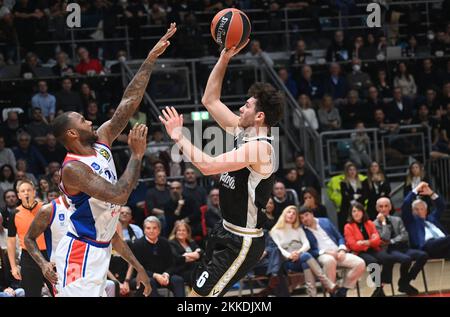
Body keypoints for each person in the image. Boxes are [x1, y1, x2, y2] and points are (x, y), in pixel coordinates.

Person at [49, 23, 178, 297]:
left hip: (99, 249)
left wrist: (149, 60)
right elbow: (120, 196)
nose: (91, 120)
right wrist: (136, 155)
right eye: (83, 120)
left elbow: (128, 102)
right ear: (72, 133)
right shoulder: (73, 169)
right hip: (78, 254)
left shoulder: (102, 138)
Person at [159, 42, 284, 297]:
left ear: (260, 117)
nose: (241, 108)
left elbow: (207, 166)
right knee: (198, 294)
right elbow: (209, 99)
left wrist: (178, 136)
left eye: (247, 106)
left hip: (242, 240)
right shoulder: (242, 131)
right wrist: (224, 57)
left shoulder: (261, 149)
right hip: (225, 230)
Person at [270, 206, 336, 297]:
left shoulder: (298, 229)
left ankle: (312, 295)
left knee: (306, 262)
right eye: (289, 212)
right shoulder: (275, 231)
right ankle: (327, 282)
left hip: (302, 258)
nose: (291, 215)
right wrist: (290, 256)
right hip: (288, 261)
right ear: (284, 213)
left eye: (294, 214)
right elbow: (278, 249)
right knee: (306, 257)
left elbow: (307, 244)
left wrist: (298, 253)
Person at [299, 207, 366, 297]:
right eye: (302, 218)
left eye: (306, 215)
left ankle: (343, 290)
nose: (305, 219)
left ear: (312, 214)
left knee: (360, 263)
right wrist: (325, 252)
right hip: (322, 255)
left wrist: (342, 249)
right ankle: (332, 292)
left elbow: (339, 237)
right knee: (330, 260)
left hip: (338, 252)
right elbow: (309, 250)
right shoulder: (302, 230)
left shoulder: (325, 221)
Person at [374, 197, 428, 296]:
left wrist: (391, 241)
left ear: (390, 207)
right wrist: (384, 223)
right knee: (406, 259)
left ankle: (405, 281)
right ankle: (401, 284)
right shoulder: (375, 224)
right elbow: (384, 237)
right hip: (390, 250)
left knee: (423, 255)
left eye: (386, 206)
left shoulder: (397, 219)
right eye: (381, 206)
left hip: (403, 247)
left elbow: (405, 236)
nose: (384, 209)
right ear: (377, 208)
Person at [344, 202, 396, 297]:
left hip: (372, 248)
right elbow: (353, 245)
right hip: (359, 252)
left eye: (359, 211)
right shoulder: (348, 227)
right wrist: (369, 241)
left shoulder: (369, 223)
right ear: (351, 213)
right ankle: (379, 289)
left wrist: (366, 242)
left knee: (389, 258)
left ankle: (380, 286)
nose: (357, 213)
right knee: (373, 262)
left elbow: (377, 240)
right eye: (354, 211)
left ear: (363, 212)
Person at [7, 180, 47, 297]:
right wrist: (13, 267)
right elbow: (11, 241)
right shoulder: (15, 213)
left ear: (34, 192)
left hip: (48, 255)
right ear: (18, 195)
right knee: (31, 294)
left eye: (29, 190)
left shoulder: (45, 208)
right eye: (22, 191)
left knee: (58, 291)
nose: (26, 193)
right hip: (28, 258)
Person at [130, 216, 185, 297]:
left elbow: (172, 264)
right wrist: (155, 275)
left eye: (154, 228)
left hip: (163, 276)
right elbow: (138, 268)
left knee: (178, 280)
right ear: (144, 230)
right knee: (150, 281)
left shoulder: (165, 243)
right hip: (143, 277)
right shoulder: (137, 244)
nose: (151, 231)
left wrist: (166, 274)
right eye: (148, 228)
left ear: (159, 230)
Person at [401, 182, 448, 258]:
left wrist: (431, 193)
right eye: (416, 209)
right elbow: (406, 203)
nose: (419, 211)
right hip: (427, 246)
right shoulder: (411, 221)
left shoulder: (432, 218)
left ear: (426, 211)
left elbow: (441, 206)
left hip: (443, 244)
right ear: (412, 211)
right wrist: (416, 190)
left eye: (422, 209)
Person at [169, 220, 202, 288]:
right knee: (197, 274)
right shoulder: (171, 243)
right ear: (175, 232)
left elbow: (201, 253)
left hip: (193, 269)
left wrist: (186, 255)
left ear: (187, 233)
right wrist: (195, 255)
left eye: (184, 230)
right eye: (179, 230)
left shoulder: (191, 242)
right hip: (180, 271)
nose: (181, 232)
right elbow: (178, 258)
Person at [339, 162, 368, 233]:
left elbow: (364, 195)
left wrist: (355, 199)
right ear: (347, 172)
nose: (352, 172)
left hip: (360, 206)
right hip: (347, 208)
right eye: (350, 170)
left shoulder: (362, 182)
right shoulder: (343, 183)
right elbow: (345, 196)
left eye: (354, 170)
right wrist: (354, 197)